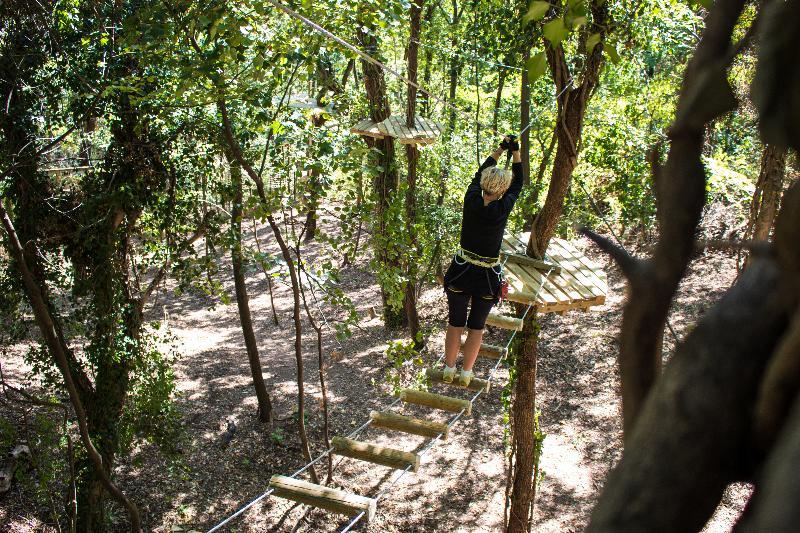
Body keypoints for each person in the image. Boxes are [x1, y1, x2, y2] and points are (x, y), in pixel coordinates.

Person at [442, 136, 523, 386]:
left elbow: (478, 175)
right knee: (476, 326)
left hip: (461, 271)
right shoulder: (503, 207)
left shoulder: (471, 198)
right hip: (487, 277)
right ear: (502, 190)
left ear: (484, 184)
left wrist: (500, 149)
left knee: (455, 322)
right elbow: (519, 184)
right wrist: (516, 153)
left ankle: (449, 368)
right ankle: (466, 373)